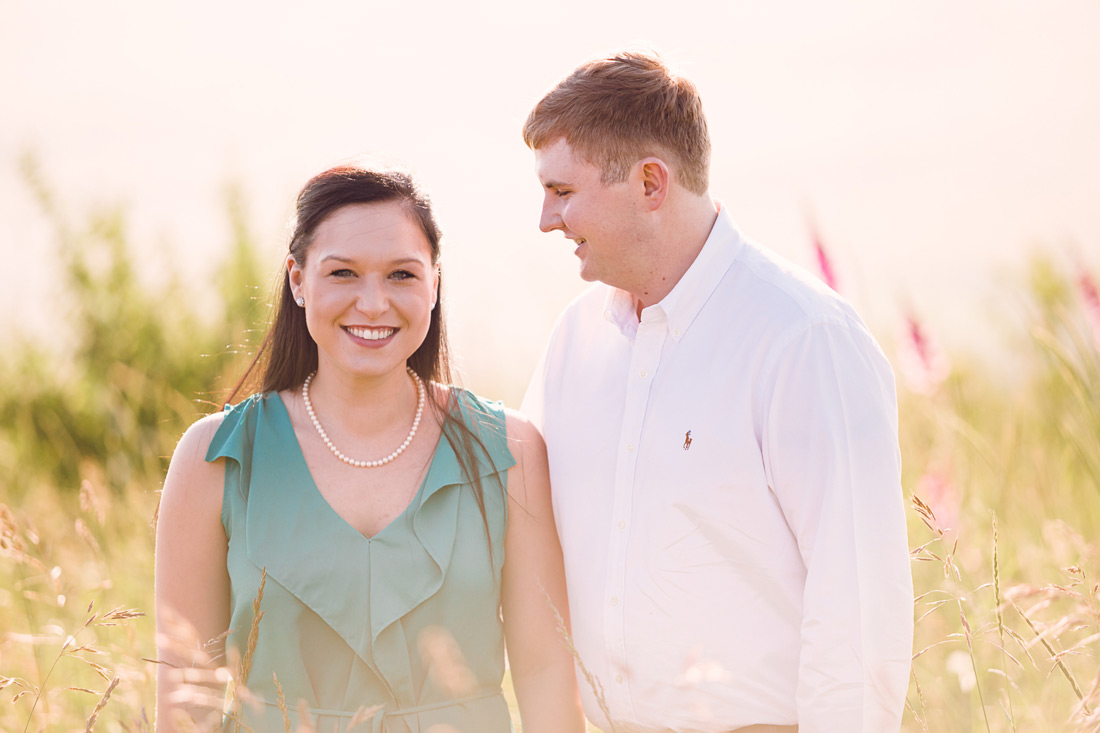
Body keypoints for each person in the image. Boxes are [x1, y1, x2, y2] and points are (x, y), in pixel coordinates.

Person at [520, 51, 913, 732]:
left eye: (562, 192)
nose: (546, 219)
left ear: (650, 183)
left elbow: (859, 608)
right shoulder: (573, 342)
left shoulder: (804, 339)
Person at [155, 165, 585, 732]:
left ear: (434, 282)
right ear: (298, 280)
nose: (374, 303)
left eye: (402, 275)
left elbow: (545, 674)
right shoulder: (215, 457)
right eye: (344, 273)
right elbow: (187, 703)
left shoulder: (509, 451)